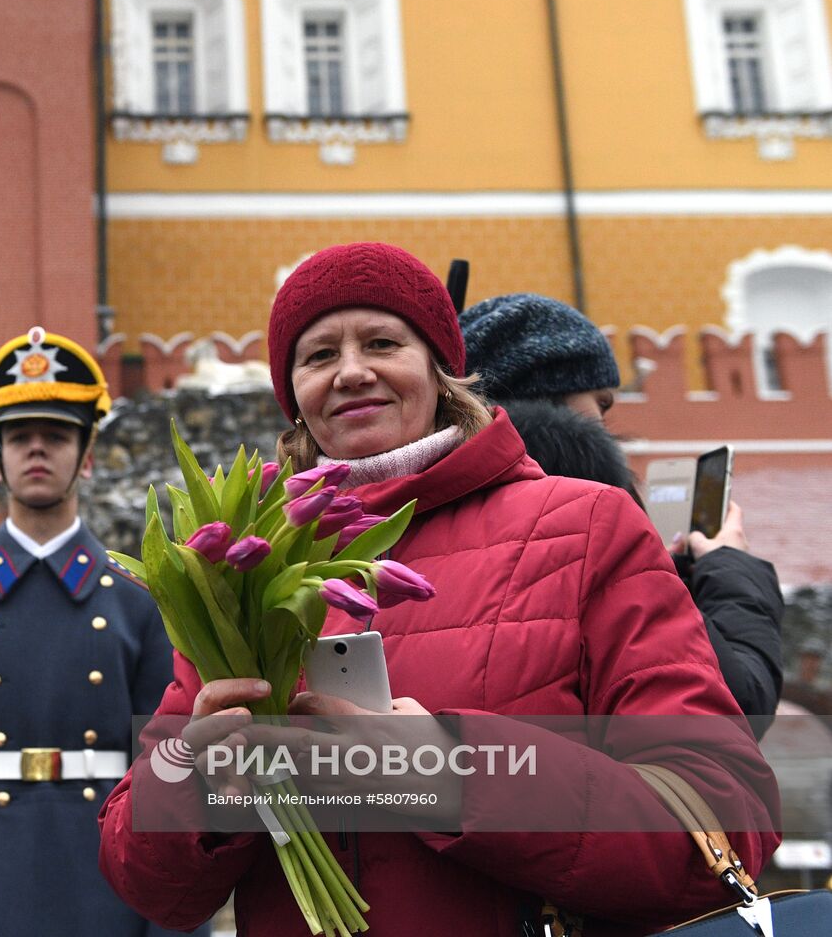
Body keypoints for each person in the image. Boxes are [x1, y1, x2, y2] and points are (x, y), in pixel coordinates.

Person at [98, 243, 778, 936]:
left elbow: (723, 819)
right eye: (319, 355)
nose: (353, 372)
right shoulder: (243, 573)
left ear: (441, 371)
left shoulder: (585, 529)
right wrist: (198, 784)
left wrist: (445, 771)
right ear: (293, 394)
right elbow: (148, 885)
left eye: (383, 342)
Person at [0, 326, 200, 937]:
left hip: (108, 878)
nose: (36, 450)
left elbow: (168, 772)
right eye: (19, 437)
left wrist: (174, 920)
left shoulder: (142, 603)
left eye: (55, 436)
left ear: (86, 456)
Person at [461, 293, 785, 736]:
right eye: (602, 403)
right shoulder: (593, 524)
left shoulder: (438, 516)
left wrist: (668, 573)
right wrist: (730, 565)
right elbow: (738, 705)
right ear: (555, 397)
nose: (606, 421)